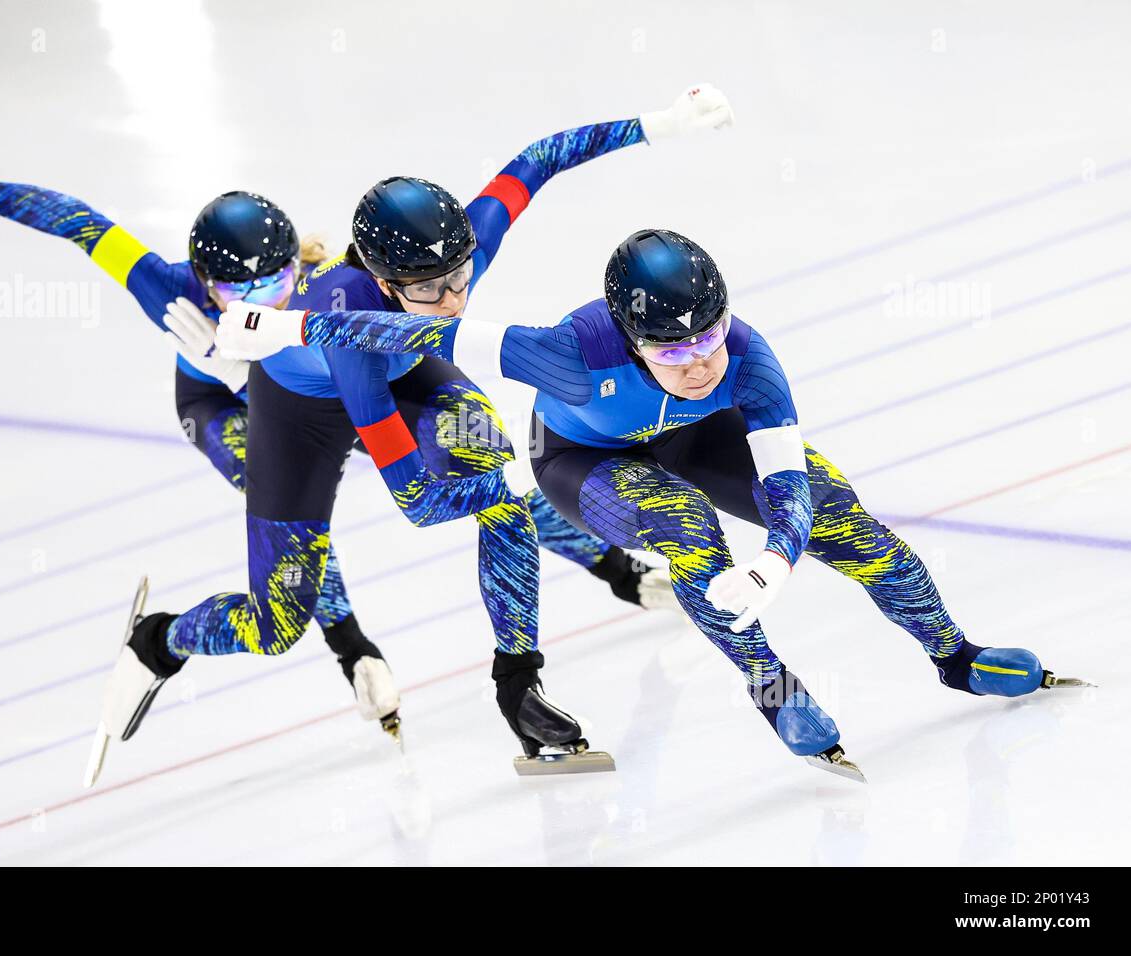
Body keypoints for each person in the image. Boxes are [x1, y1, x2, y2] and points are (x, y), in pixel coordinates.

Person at [221, 227, 1093, 781]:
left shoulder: (749, 362)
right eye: (672, 349)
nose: (698, 360)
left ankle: (954, 653)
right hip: (584, 458)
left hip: (700, 441)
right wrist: (284, 327)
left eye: (710, 334)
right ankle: (771, 684)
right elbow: (409, 330)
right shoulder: (563, 354)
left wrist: (779, 558)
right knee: (689, 533)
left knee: (846, 523)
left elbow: (789, 484)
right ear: (630, 341)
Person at [95, 85, 738, 781]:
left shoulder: (454, 261)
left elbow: (541, 159)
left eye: (461, 276)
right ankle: (159, 642)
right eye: (430, 290)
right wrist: (513, 481)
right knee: (278, 622)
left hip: (408, 365)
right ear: (381, 279)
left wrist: (659, 124)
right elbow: (419, 502)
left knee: (490, 468)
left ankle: (520, 689)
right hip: (300, 410)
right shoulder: (344, 320)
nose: (455, 300)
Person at [0, 162, 406, 739]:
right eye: (240, 290)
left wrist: (248, 368)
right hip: (213, 403)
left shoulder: (322, 286)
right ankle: (340, 646)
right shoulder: (165, 283)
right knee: (288, 506)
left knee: (319, 493)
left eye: (277, 281)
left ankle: (353, 647)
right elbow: (77, 223)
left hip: (277, 392)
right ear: (204, 281)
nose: (261, 299)